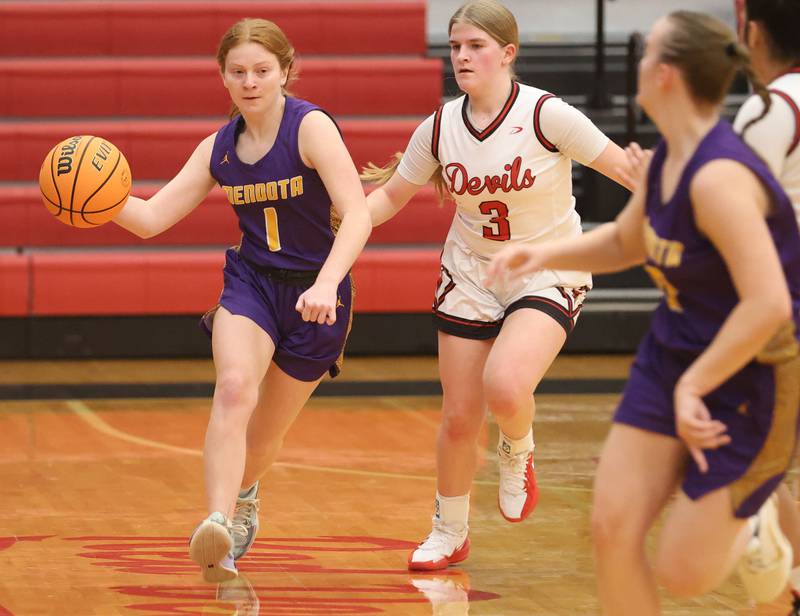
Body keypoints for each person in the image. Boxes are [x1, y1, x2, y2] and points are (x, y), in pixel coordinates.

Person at [487, 10, 800, 614]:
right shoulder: (663, 162)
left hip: (748, 369)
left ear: (667, 75)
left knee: (684, 575)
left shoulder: (720, 178)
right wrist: (539, 252)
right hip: (671, 356)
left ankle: (763, 529)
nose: (638, 62)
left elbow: (768, 302)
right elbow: (625, 244)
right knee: (611, 528)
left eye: (648, 52)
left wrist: (698, 386)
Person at [362, 0, 633, 571]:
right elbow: (389, 196)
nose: (461, 56)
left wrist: (695, 187)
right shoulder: (438, 126)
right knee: (459, 417)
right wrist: (342, 222)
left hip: (546, 265)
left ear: (508, 54)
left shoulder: (546, 115)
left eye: (475, 46)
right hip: (471, 270)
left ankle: (518, 447)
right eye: (455, 46)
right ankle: (448, 530)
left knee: (506, 387)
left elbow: (624, 169)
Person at [111, 18, 371, 582]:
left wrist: (327, 283)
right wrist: (99, 201)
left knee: (265, 435)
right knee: (233, 389)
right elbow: (153, 217)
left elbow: (359, 214)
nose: (250, 81)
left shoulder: (311, 128)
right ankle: (218, 527)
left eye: (261, 70)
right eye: (238, 71)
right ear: (223, 78)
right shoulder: (219, 148)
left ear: (285, 72)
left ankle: (245, 493)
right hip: (252, 283)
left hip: (317, 291)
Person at [732, 1, 800, 612]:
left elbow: (734, 219)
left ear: (750, 29)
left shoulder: (773, 107)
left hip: (783, 306)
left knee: (756, 463)